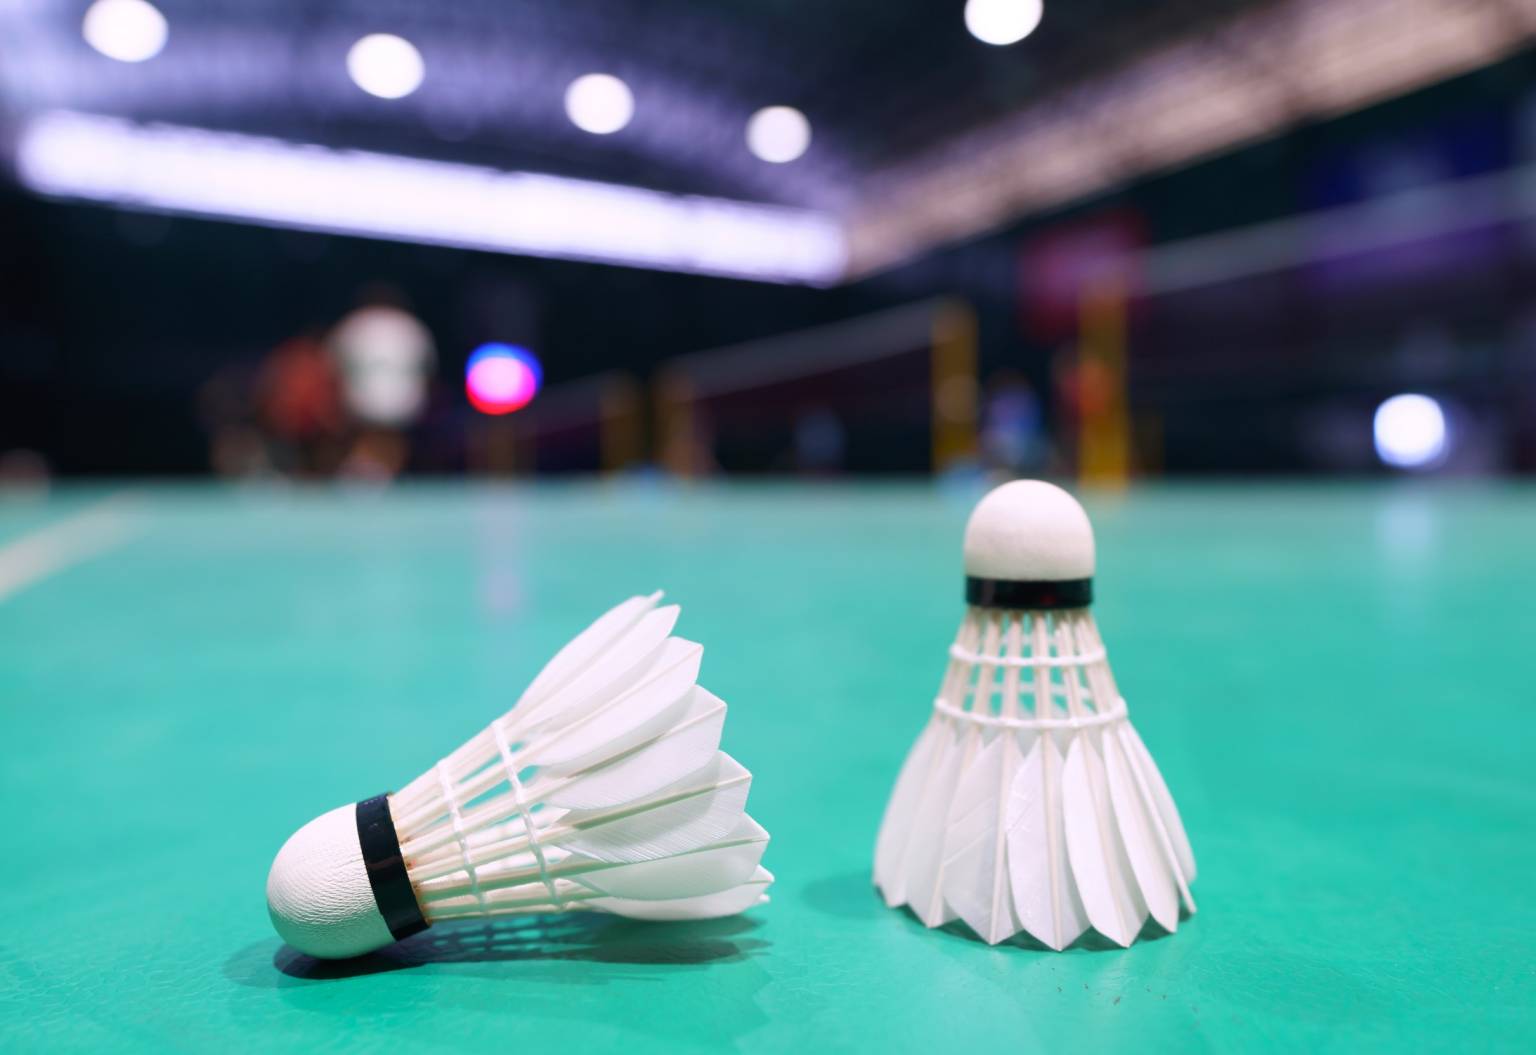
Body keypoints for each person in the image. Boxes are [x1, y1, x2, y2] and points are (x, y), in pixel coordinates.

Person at [327, 284, 436, 480]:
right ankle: (377, 475)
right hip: (404, 402)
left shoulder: (355, 323)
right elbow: (428, 369)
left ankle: (364, 474)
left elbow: (332, 366)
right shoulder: (411, 325)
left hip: (363, 402)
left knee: (375, 438)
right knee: (387, 439)